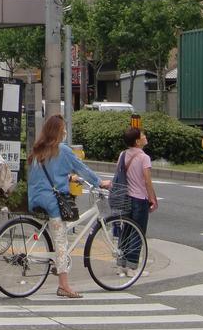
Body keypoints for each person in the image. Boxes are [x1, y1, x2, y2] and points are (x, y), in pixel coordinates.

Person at [27, 115, 111, 299]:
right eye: (63, 129)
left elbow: (45, 176)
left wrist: (68, 178)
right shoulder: (62, 150)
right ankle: (64, 286)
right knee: (61, 242)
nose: (65, 132)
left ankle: (60, 273)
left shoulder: (40, 150)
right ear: (58, 131)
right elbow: (81, 168)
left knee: (59, 236)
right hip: (52, 202)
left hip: (36, 198)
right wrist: (99, 182)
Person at [119, 126, 157, 274]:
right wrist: (152, 198)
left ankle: (121, 264)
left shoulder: (123, 155)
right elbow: (147, 180)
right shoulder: (144, 158)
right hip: (139, 199)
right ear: (137, 141)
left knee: (126, 230)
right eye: (142, 135)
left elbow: (119, 175)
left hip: (125, 198)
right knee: (138, 232)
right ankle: (132, 267)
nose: (145, 136)